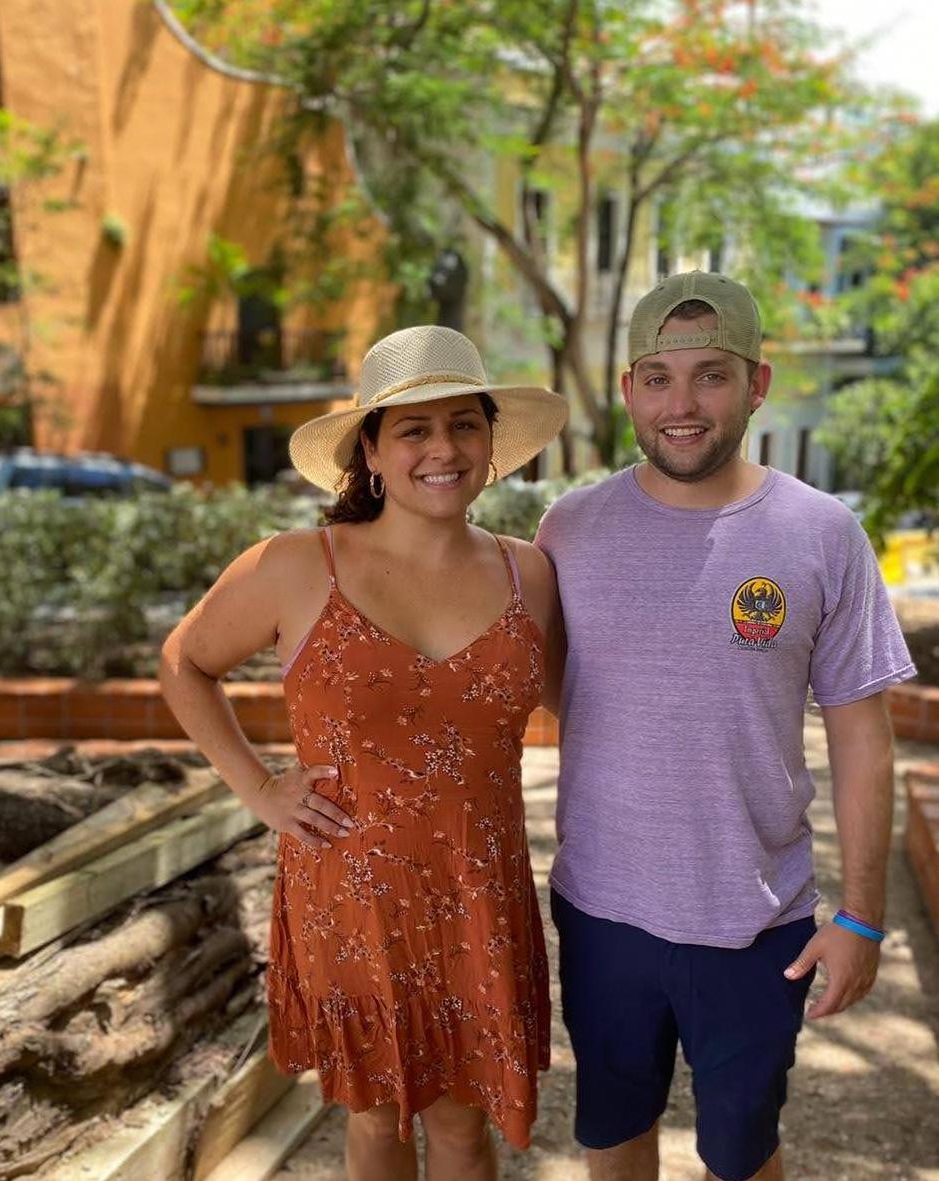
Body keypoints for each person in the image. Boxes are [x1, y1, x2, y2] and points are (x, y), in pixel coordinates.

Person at [161, 325, 569, 1181]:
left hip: (476, 891)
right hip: (348, 892)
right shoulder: (293, 566)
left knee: (464, 1126)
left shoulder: (531, 574)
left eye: (463, 423)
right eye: (413, 429)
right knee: (376, 1126)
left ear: (490, 442)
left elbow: (586, 709)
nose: (442, 449)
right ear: (371, 452)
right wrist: (260, 789)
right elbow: (184, 663)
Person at [535, 270, 916, 1181]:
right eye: (658, 378)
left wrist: (862, 916)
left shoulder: (821, 533)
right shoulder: (569, 530)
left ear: (757, 383)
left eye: (711, 374)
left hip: (758, 921)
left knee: (741, 1156)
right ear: (627, 389)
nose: (682, 403)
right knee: (613, 1136)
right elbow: (553, 691)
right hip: (602, 913)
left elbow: (863, 736)